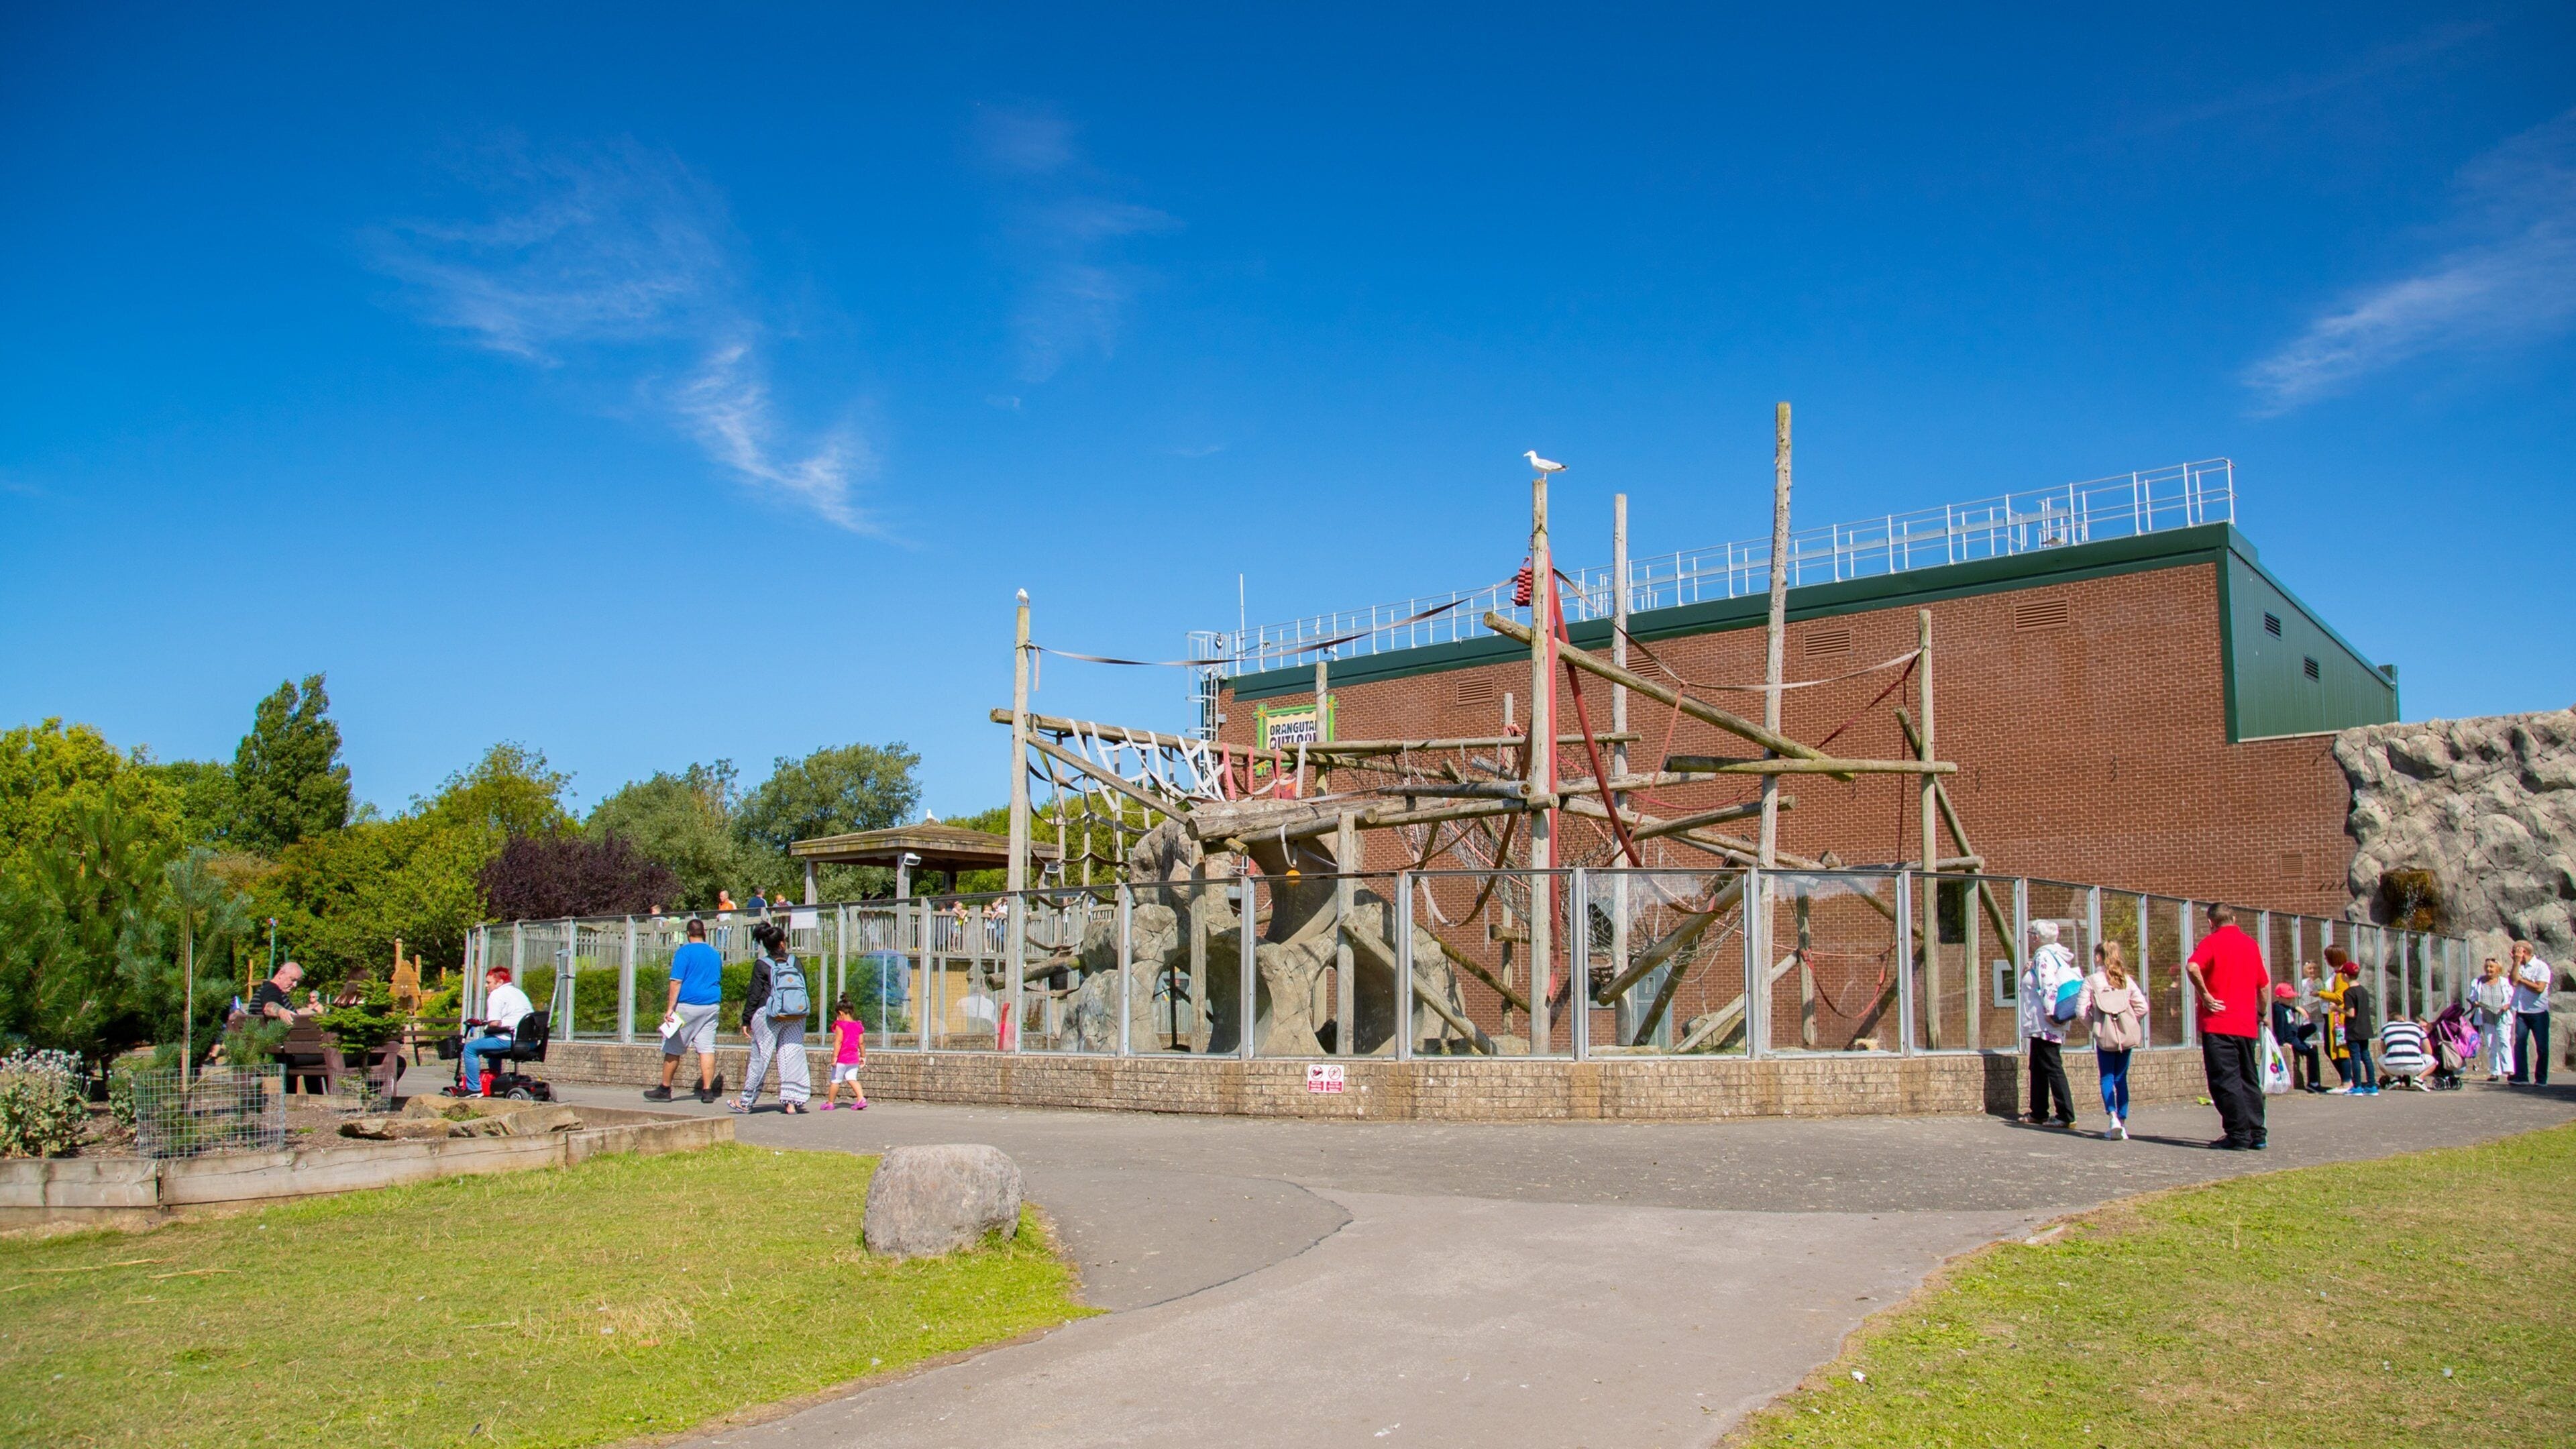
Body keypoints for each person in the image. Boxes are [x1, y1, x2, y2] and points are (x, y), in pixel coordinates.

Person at [2185, 902, 2270, 1149]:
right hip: (2245, 1023)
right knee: (2248, 1078)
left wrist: (2205, 995)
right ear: (2234, 918)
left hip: (2219, 1022)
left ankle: (2238, 1134)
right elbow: (2264, 986)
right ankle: (2257, 1132)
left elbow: (2192, 966)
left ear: (2211, 923)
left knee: (2225, 1080)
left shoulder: (2211, 943)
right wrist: (2261, 1012)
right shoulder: (2251, 945)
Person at [735, 921, 812, 1114]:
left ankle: (746, 1101)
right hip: (795, 1015)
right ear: (783, 943)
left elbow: (754, 994)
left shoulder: (762, 965)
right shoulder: (795, 962)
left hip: (768, 1015)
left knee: (760, 1057)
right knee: (792, 1055)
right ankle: (792, 1103)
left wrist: (746, 1020)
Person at [646, 917, 725, 1104]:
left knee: (673, 1046)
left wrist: (670, 1009)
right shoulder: (714, 953)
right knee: (706, 1048)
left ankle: (665, 1089)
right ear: (704, 932)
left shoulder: (684, 952)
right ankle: (707, 1091)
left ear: (688, 934)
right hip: (711, 1005)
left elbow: (676, 981)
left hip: (688, 1005)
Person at [2078, 940, 2147, 1139]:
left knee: (2107, 1076)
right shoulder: (2125, 979)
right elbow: (2142, 1007)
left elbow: (2081, 1011)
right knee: (2121, 1078)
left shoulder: (2092, 980)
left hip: (2105, 1037)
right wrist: (2130, 1024)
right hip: (2125, 1037)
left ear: (2099, 957)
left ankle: (2113, 1116)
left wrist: (2097, 1028)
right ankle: (2123, 1123)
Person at [2019, 920, 2082, 1128]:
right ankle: (2038, 1111)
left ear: (2037, 937)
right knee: (2038, 1066)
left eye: (2031, 934)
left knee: (2052, 1065)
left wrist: (2050, 1012)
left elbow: (2048, 986)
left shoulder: (2043, 956)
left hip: (2045, 1022)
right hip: (2042, 1024)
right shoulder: (2053, 954)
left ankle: (2065, 1114)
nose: (2029, 937)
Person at [455, 964, 533, 1095]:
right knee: (489, 1048)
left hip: (509, 1039)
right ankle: (495, 1084)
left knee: (470, 1049)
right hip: (528, 1041)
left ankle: (474, 1088)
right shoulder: (518, 993)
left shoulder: (497, 994)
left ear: (500, 982)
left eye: (489, 982)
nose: (486, 986)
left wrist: (485, 1025)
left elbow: (494, 1023)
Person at [2508, 941, 2553, 1087]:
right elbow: (2513, 981)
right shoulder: (2519, 966)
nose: (2513, 954)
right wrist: (2516, 963)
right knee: (2519, 1044)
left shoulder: (2541, 967)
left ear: (2524, 951)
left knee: (2542, 1046)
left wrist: (2523, 980)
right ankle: (2521, 1076)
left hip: (2538, 1012)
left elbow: (2540, 988)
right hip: (2522, 1011)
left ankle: (2541, 1078)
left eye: (2515, 951)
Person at [2334, 959, 2379, 1095]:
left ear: (2346, 976)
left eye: (2342, 974)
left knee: (2355, 1056)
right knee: (2366, 1056)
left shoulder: (2349, 993)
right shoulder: (2363, 991)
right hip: (2365, 1028)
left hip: (2354, 1029)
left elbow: (2351, 1013)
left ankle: (2358, 1086)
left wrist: (2337, 1008)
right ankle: (2372, 1085)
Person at [2468, 957, 2515, 1081]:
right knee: (2490, 1043)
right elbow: (2472, 998)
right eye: (2487, 967)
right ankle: (2495, 1071)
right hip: (2486, 1015)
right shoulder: (2478, 982)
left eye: (2491, 967)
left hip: (2501, 1015)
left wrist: (2506, 1006)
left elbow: (2511, 998)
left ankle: (2509, 1069)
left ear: (2498, 969)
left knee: (2504, 1041)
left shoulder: (2504, 982)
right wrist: (2476, 1003)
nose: (2489, 969)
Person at [2271, 983, 2322, 1093]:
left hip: (2296, 1033)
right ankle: (2313, 1083)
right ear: (2279, 997)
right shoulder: (2279, 1009)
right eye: (2288, 998)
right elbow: (2279, 1027)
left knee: (2312, 1027)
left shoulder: (2286, 1007)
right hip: (2290, 1038)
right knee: (2312, 1054)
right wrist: (2282, 1042)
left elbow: (2289, 1008)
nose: (2291, 1000)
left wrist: (2297, 1008)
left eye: (2291, 997)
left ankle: (2302, 1042)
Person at [821, 996, 867, 1111]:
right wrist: (863, 1056)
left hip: (842, 1058)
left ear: (841, 1013)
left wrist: (834, 1057)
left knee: (836, 1081)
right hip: (854, 1058)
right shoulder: (858, 1025)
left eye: (838, 1015)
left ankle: (830, 1103)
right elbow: (861, 1043)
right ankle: (861, 1098)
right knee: (852, 1078)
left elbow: (839, 1041)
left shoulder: (840, 1025)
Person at [2378, 1012, 2432, 1091]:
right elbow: (2429, 1051)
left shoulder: (2386, 1028)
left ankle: (2393, 1079)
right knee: (2433, 1061)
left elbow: (2384, 1051)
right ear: (2404, 1019)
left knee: (2381, 1059)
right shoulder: (2416, 1027)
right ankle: (2419, 1079)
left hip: (2393, 1067)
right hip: (2415, 1067)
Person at [247, 961, 312, 1022]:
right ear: (281, 974)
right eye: (293, 980)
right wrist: (282, 1012)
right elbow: (269, 1007)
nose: (295, 985)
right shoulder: (271, 990)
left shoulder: (270, 990)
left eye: (298, 981)